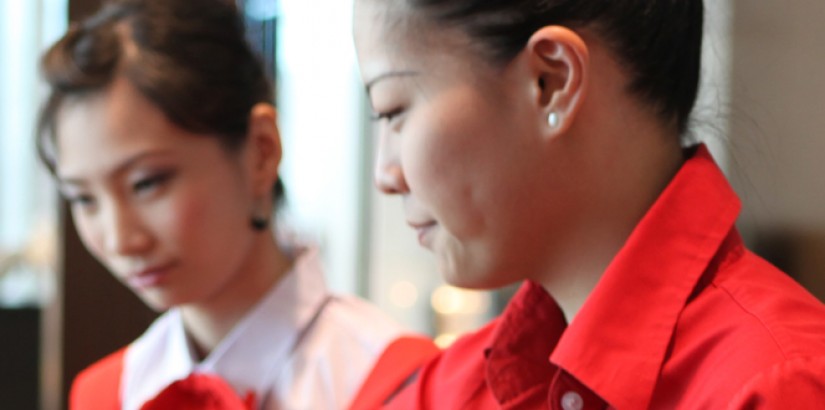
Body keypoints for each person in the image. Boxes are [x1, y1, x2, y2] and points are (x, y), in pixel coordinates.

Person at [350, 0, 825, 408]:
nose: (385, 176)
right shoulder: (444, 391)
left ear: (551, 80)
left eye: (393, 111)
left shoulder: (777, 387)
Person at [36, 0, 437, 409]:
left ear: (261, 151)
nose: (120, 240)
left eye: (147, 183)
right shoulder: (107, 392)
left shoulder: (398, 382)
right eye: (84, 198)